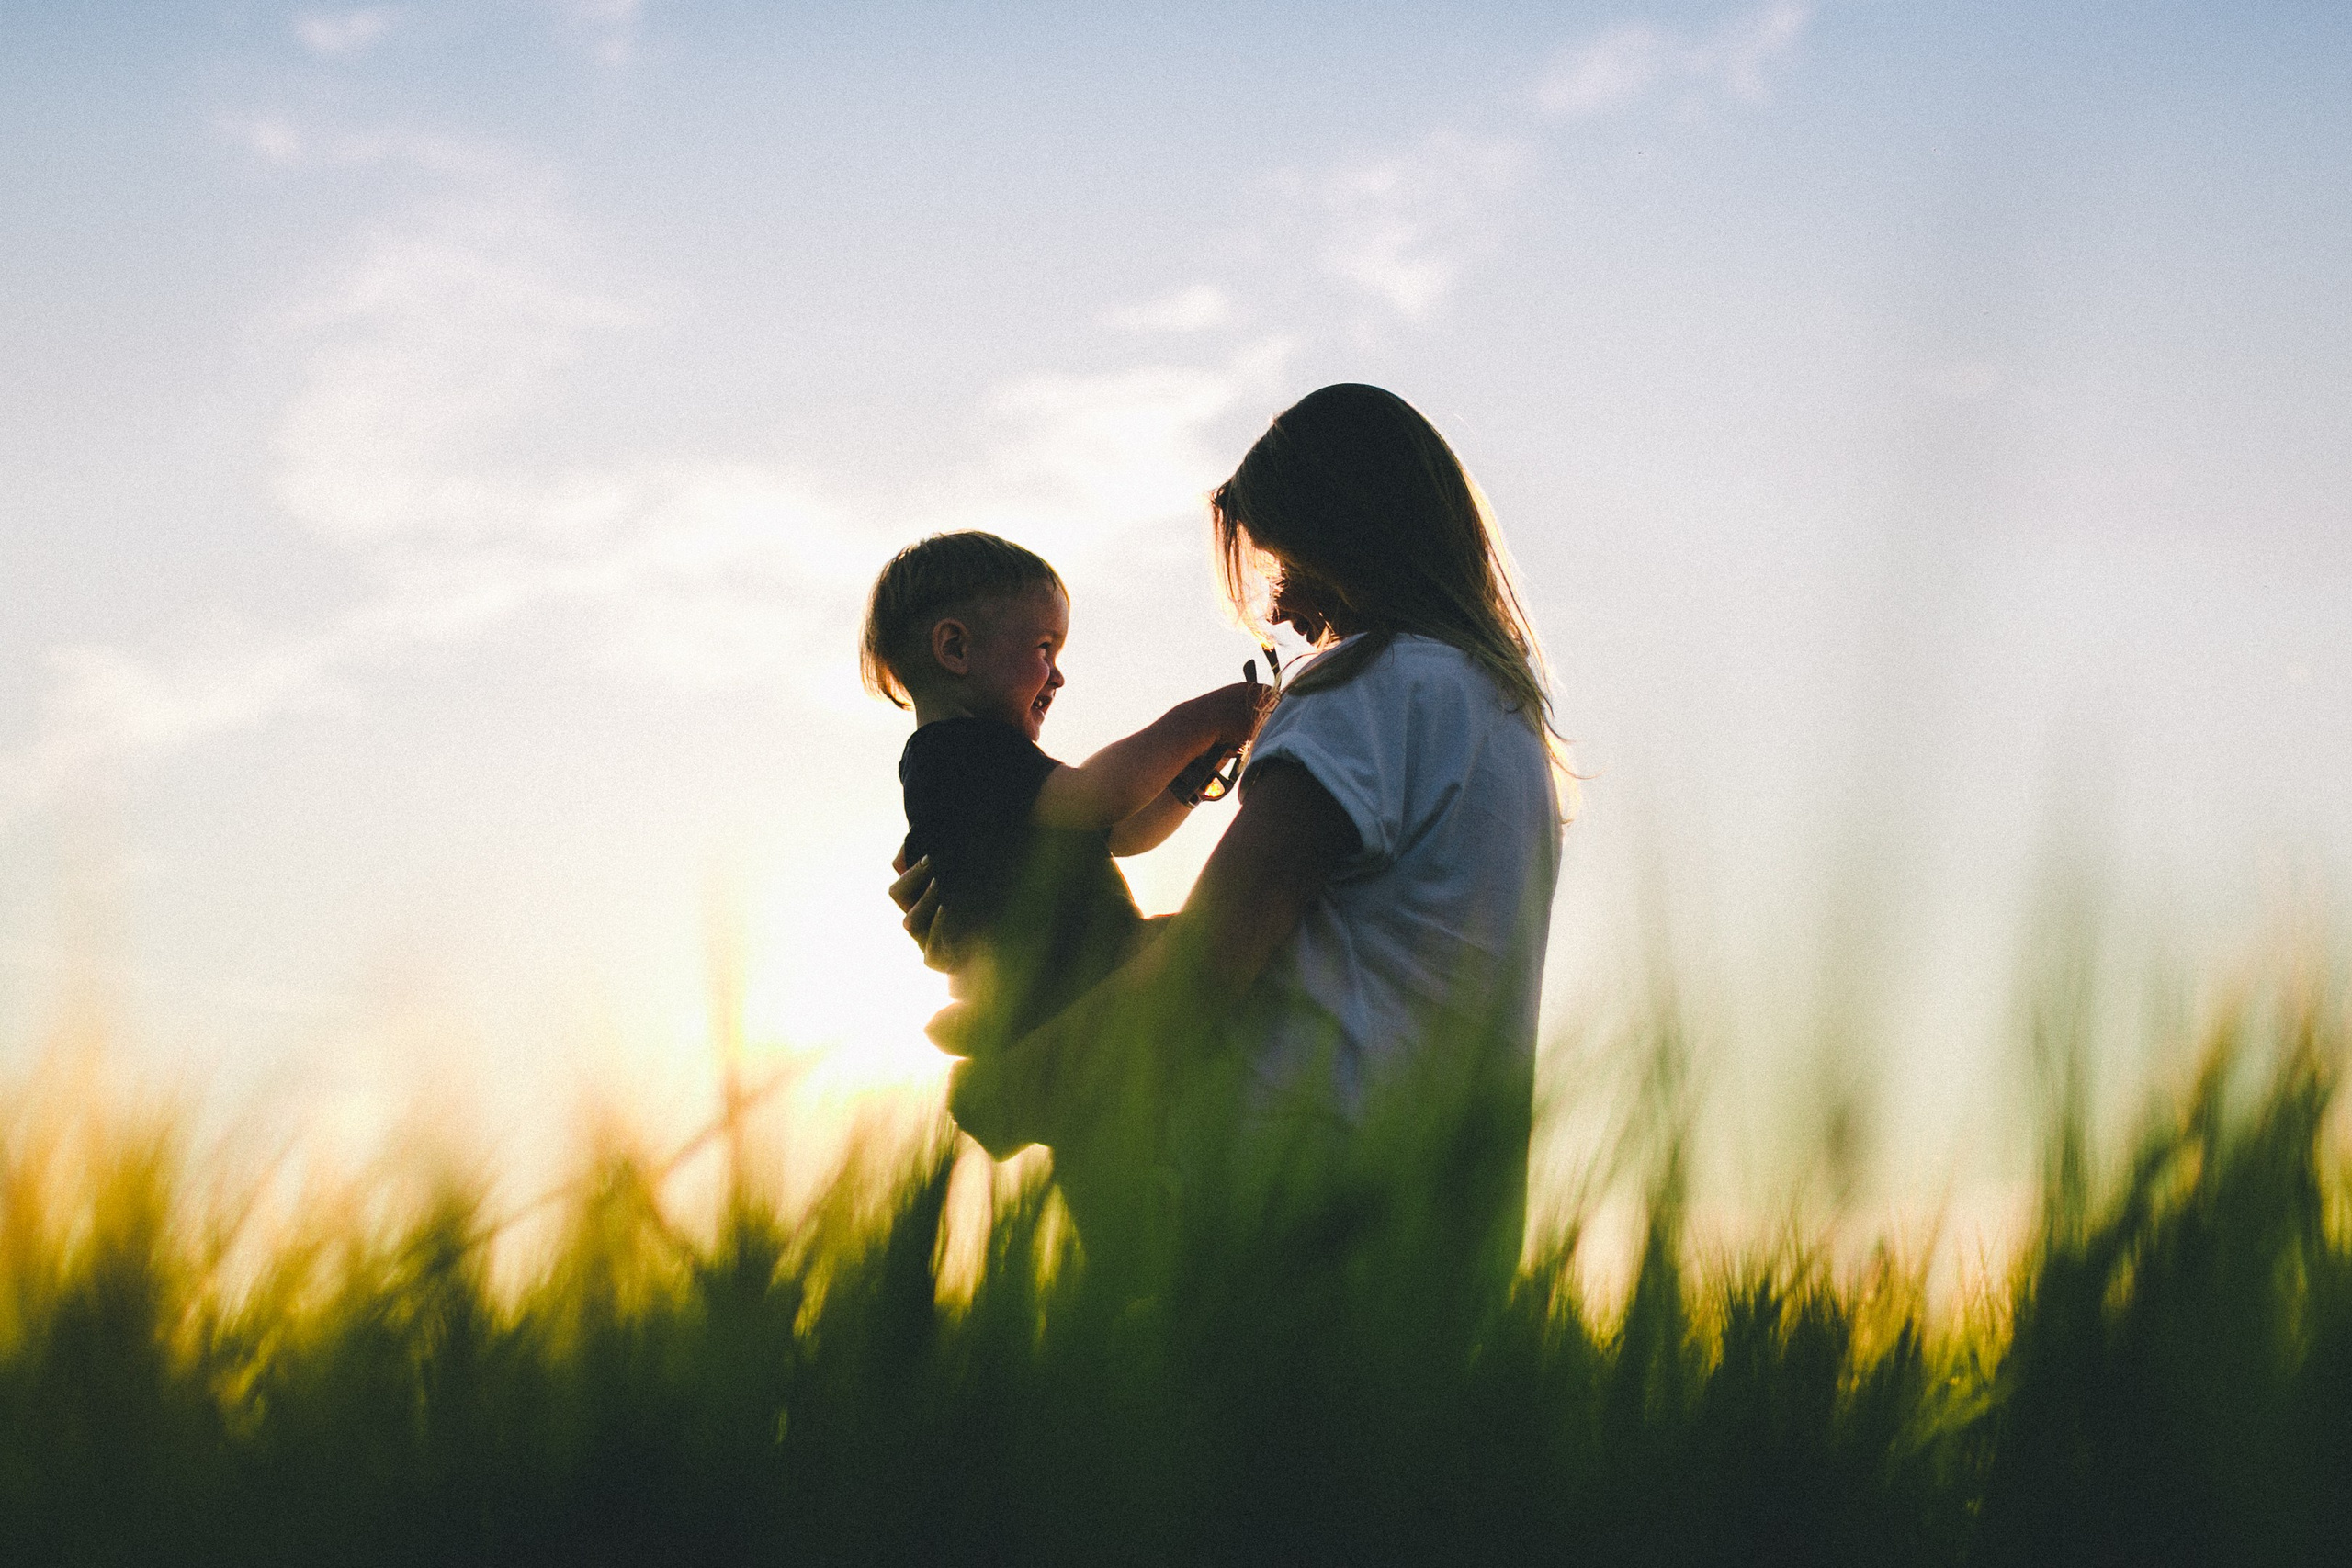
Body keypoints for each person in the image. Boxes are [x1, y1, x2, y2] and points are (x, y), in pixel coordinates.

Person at [893, 386, 1567, 1283]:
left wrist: (1018, 1087)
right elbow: (1348, 952)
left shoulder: (1363, 688)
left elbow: (1213, 955)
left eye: (1282, 565)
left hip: (1293, 1195)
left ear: (1343, 534)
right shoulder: (1501, 715)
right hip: (1446, 1224)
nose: (1279, 611)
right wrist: (1018, 916)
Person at [863, 529, 1272, 1052]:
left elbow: (1121, 832)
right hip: (1072, 983)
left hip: (1067, 987)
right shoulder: (958, 753)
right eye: (1044, 648)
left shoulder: (974, 763)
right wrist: (1208, 718)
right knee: (1241, 939)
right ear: (956, 648)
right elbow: (1100, 797)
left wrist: (1195, 774)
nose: (1057, 677)